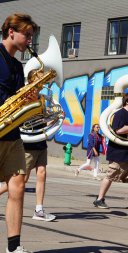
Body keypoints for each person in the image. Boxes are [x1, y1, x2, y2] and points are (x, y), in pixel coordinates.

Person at [0, 13, 38, 253]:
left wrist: (30, 98)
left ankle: (14, 247)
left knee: (18, 187)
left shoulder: (17, 65)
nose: (29, 41)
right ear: (11, 31)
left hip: (11, 133)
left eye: (31, 36)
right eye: (27, 35)